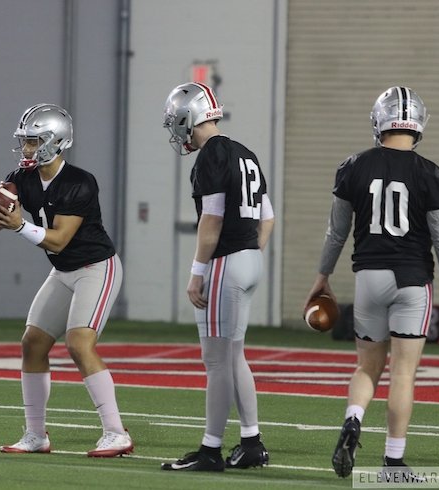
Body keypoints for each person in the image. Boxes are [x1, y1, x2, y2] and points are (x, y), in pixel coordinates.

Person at [304, 86, 439, 479]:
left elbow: (336, 233)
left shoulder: (353, 166)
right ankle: (392, 461)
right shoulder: (432, 174)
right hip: (412, 281)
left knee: (366, 367)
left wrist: (322, 276)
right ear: (419, 124)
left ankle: (354, 419)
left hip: (368, 278)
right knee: (403, 373)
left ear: (379, 121)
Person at [0, 103, 132, 457]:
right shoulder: (21, 178)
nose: (27, 149)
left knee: (80, 344)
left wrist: (19, 225)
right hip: (63, 270)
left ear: (57, 141)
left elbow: (57, 239)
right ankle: (36, 434)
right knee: (32, 343)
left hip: (95, 267)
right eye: (25, 141)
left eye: (35, 142)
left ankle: (116, 432)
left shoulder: (79, 182)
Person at [159, 83, 275, 472]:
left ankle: (210, 450)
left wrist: (197, 272)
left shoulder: (211, 156)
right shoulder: (246, 154)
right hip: (249, 259)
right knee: (233, 355)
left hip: (226, 261)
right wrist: (249, 254)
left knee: (216, 361)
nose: (179, 133)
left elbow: (212, 218)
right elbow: (268, 217)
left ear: (190, 119)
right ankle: (251, 442)